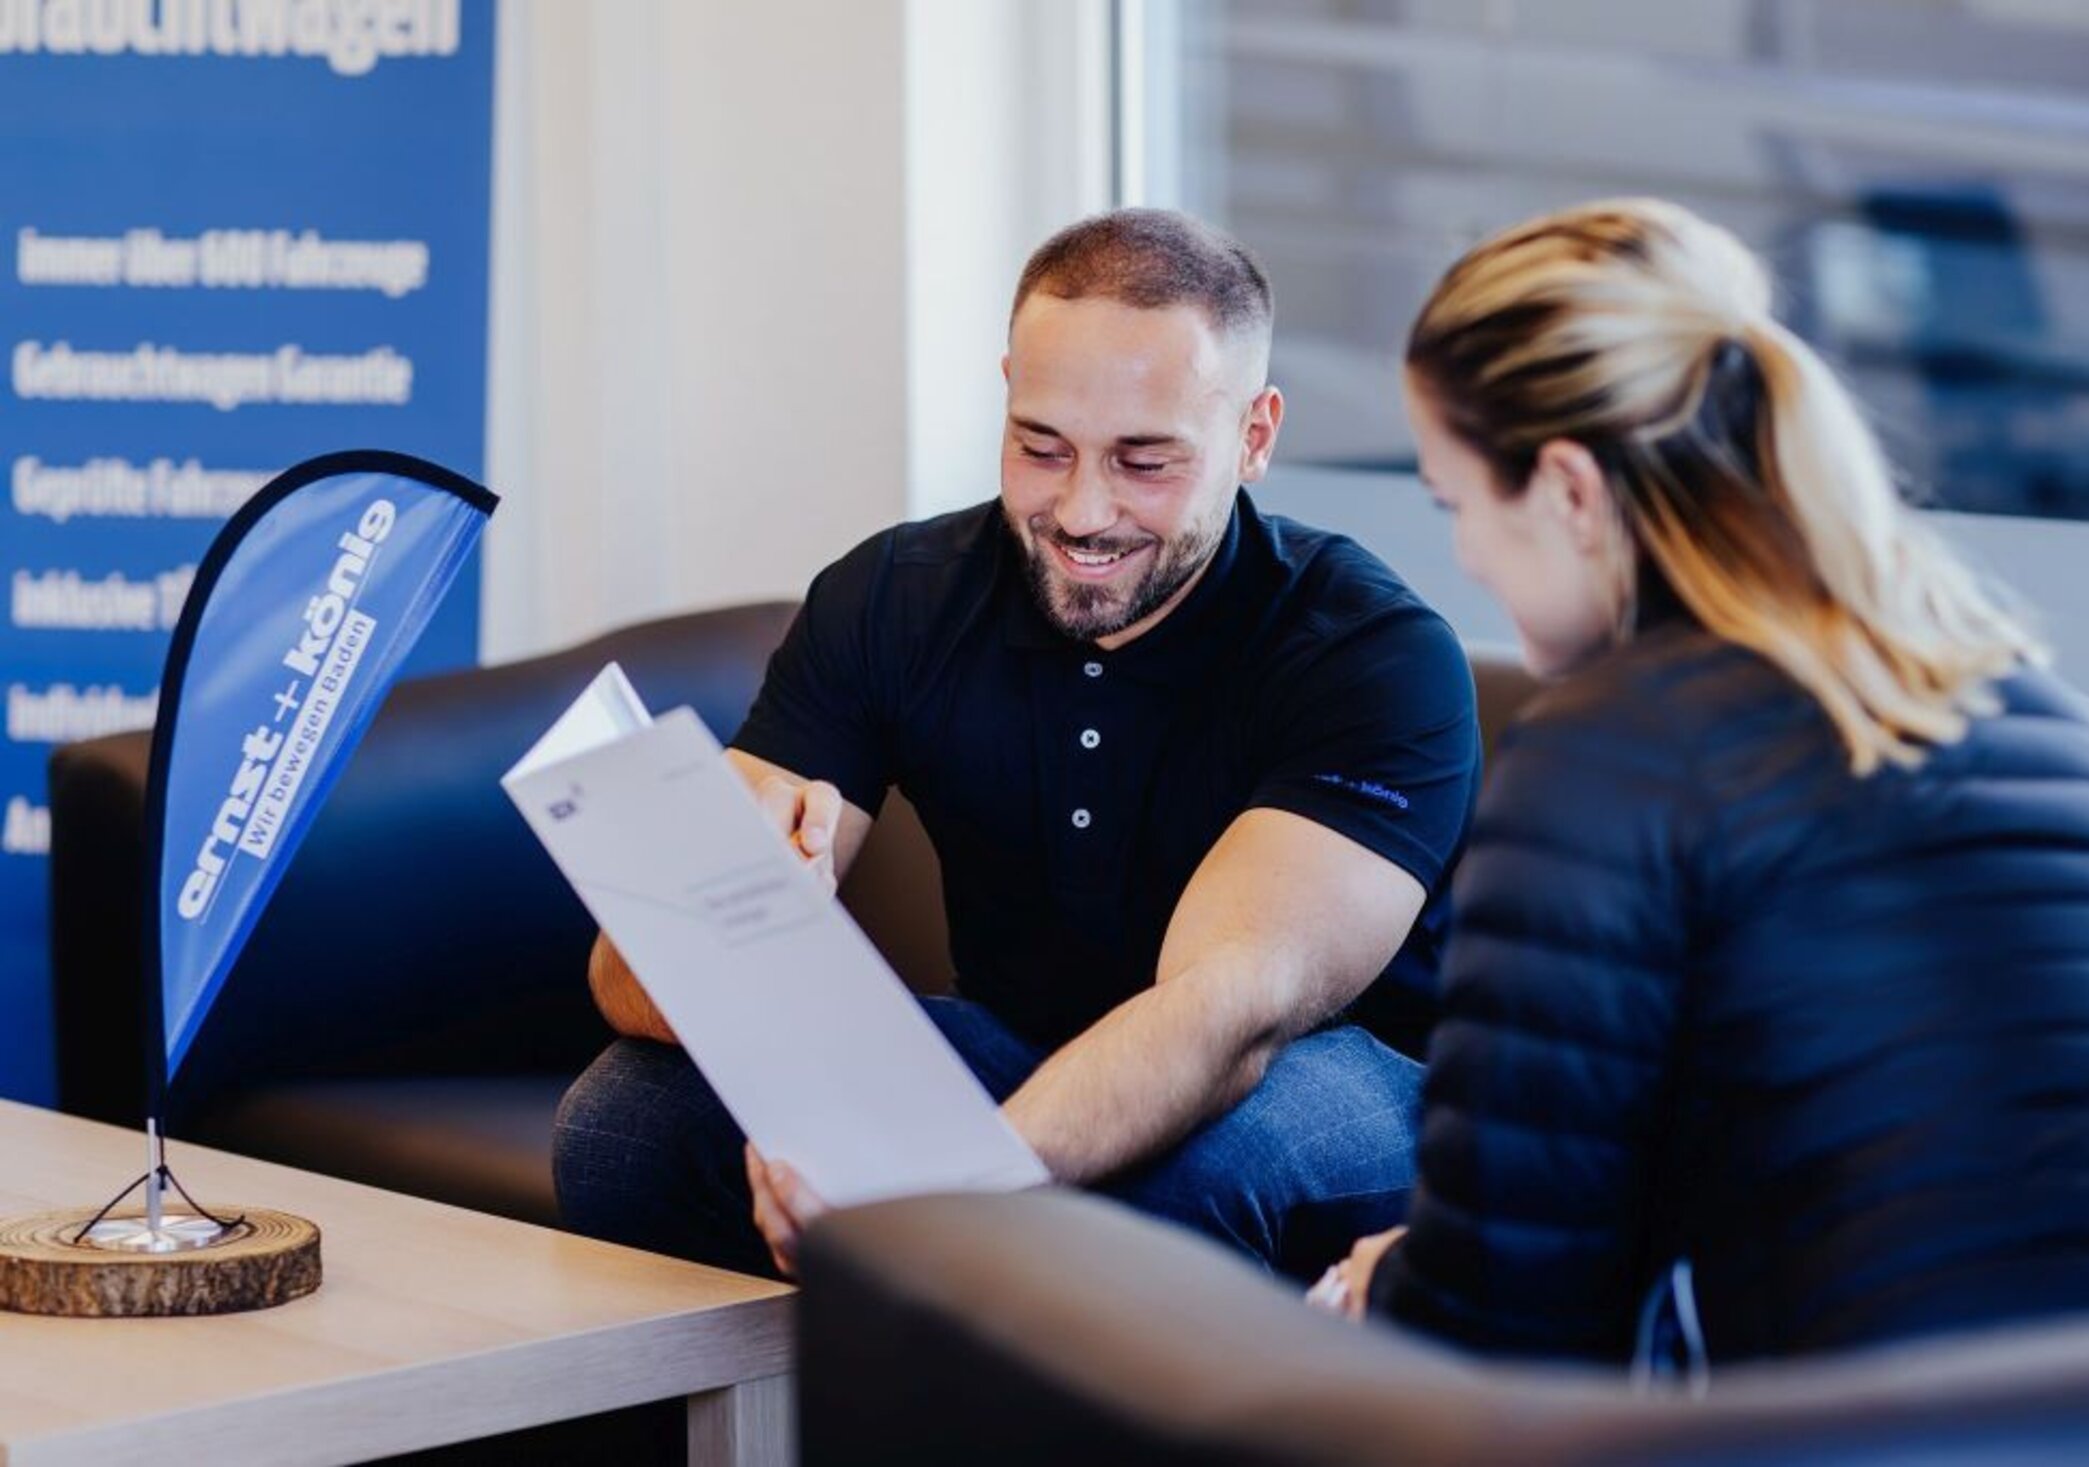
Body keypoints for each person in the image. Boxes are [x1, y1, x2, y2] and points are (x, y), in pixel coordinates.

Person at [1315, 197, 2089, 1363]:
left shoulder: (1606, 755)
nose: (1465, 555)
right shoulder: (2040, 717)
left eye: (1458, 504)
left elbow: (1503, 1321)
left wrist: (1380, 1289)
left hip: (1857, 1427)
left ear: (1569, 489)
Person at [554, 209, 1480, 1280]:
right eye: (1042, 448)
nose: (1082, 512)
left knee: (1179, 1177)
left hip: (1335, 1081)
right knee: (627, 1124)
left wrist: (957, 1192)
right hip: (1025, 1046)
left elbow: (1224, 1013)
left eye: (1145, 462)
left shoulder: (1368, 653)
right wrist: (731, 935)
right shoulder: (893, 597)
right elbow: (621, 978)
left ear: (1254, 435)